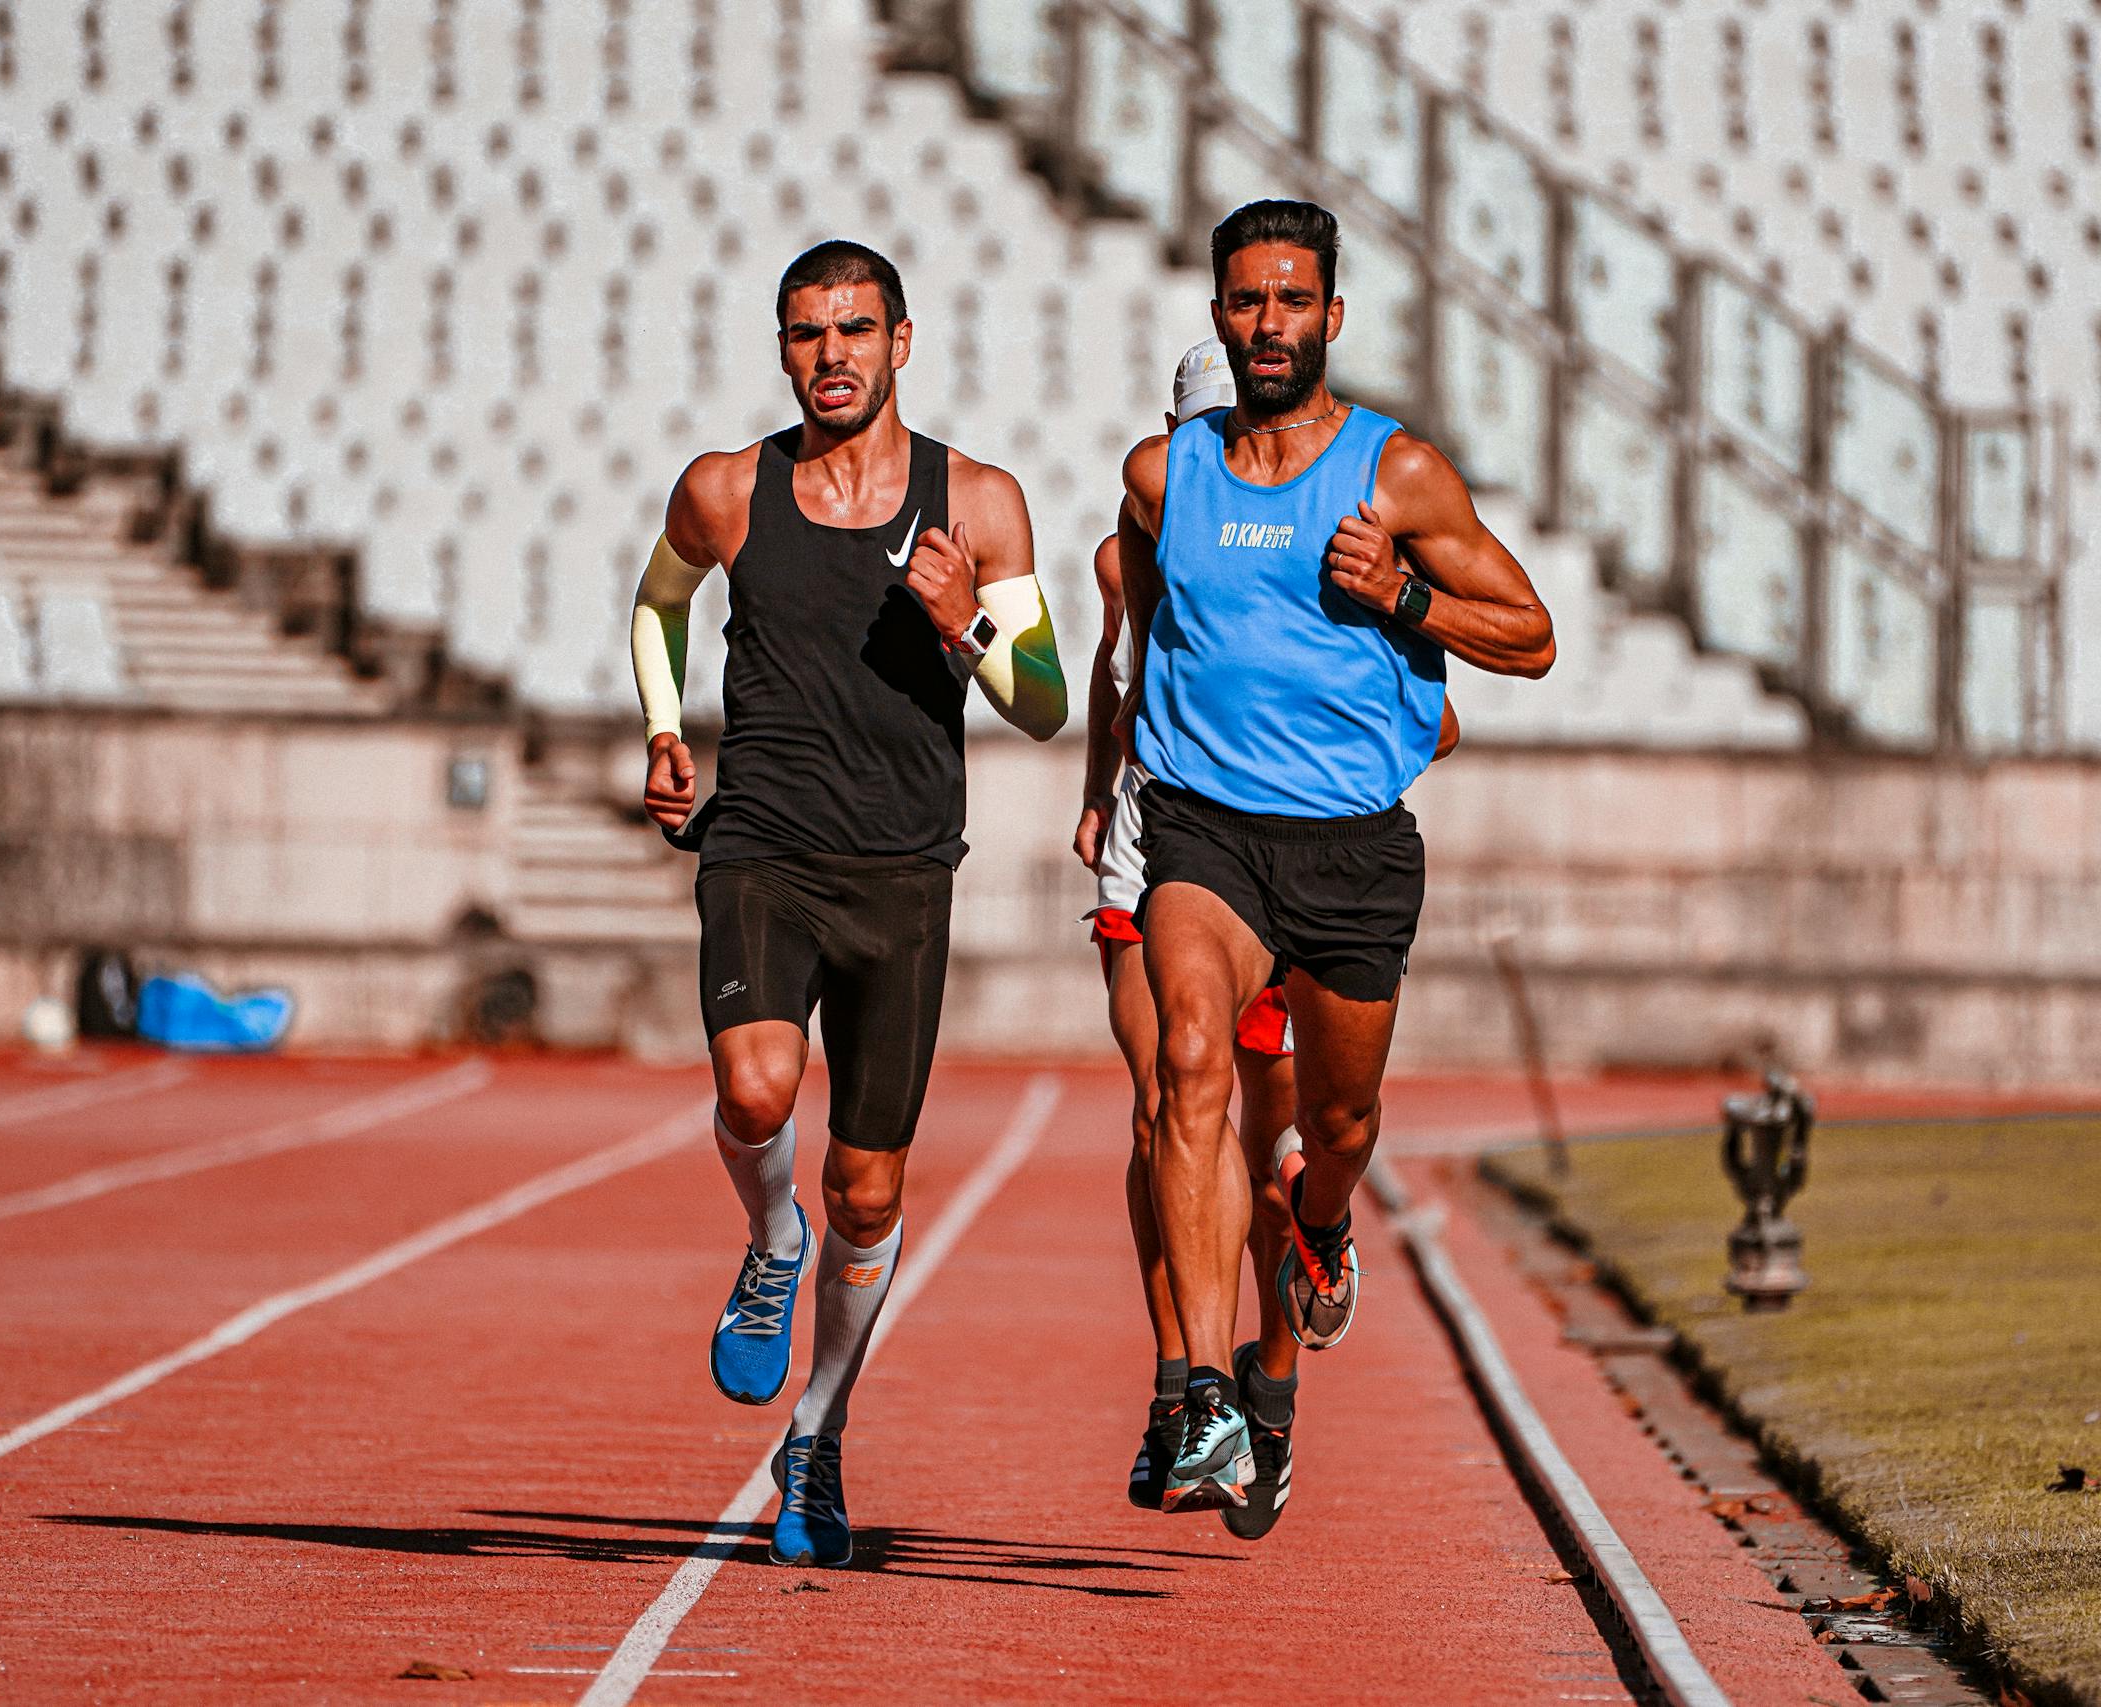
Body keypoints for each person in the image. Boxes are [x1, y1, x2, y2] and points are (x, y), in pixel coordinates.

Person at [630, 239, 1067, 1566]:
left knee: (870, 1194)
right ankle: (771, 1237)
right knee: (756, 1094)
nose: (834, 354)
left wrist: (968, 625)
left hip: (904, 870)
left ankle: (814, 1437)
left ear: (902, 341)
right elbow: (657, 606)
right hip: (761, 845)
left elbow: (1045, 703)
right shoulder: (725, 490)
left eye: (857, 329)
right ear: (783, 349)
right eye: (810, 332)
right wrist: (663, 726)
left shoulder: (978, 503)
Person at [1113, 200, 1553, 1511]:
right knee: (1189, 1059)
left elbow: (1531, 635)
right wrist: (1109, 790)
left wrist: (1401, 596)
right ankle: (1193, 1391)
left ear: (1332, 317)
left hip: (1352, 849)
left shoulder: (1394, 474)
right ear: (1217, 315)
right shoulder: (1158, 477)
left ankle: (1317, 1223)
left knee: (1335, 1124)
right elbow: (1137, 648)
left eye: (1292, 301)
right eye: (1246, 301)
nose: (1268, 325)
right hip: (1206, 830)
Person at [1081, 339, 1461, 1533]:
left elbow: (1438, 717)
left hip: (1310, 842)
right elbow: (1119, 676)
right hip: (1176, 832)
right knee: (1169, 1103)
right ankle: (1182, 1394)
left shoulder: (1327, 523)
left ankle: (1272, 1389)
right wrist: (1102, 793)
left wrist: (1336, 730)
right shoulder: (1134, 536)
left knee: (1284, 1140)